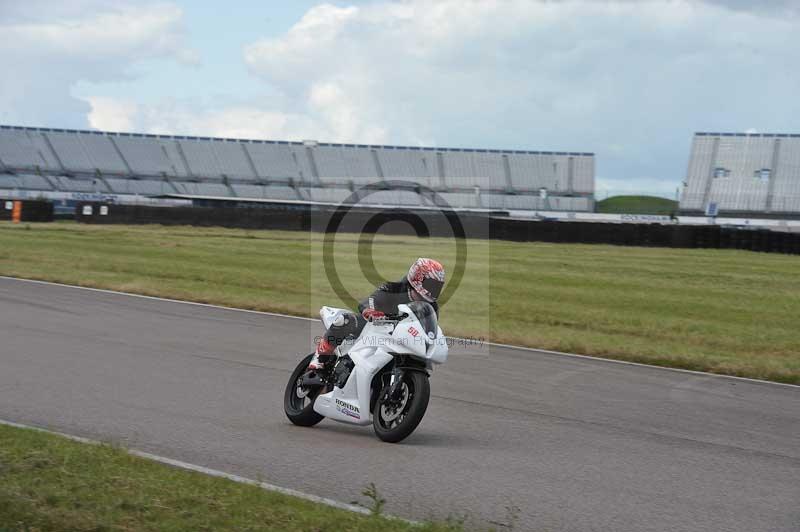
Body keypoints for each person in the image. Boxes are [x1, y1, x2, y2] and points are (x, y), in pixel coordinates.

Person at [308, 258, 445, 370]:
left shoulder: (431, 307)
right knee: (344, 320)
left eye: (437, 287)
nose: (433, 290)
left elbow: (428, 329)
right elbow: (370, 300)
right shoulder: (394, 288)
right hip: (374, 326)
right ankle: (320, 357)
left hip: (399, 337)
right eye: (431, 285)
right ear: (417, 277)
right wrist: (370, 311)